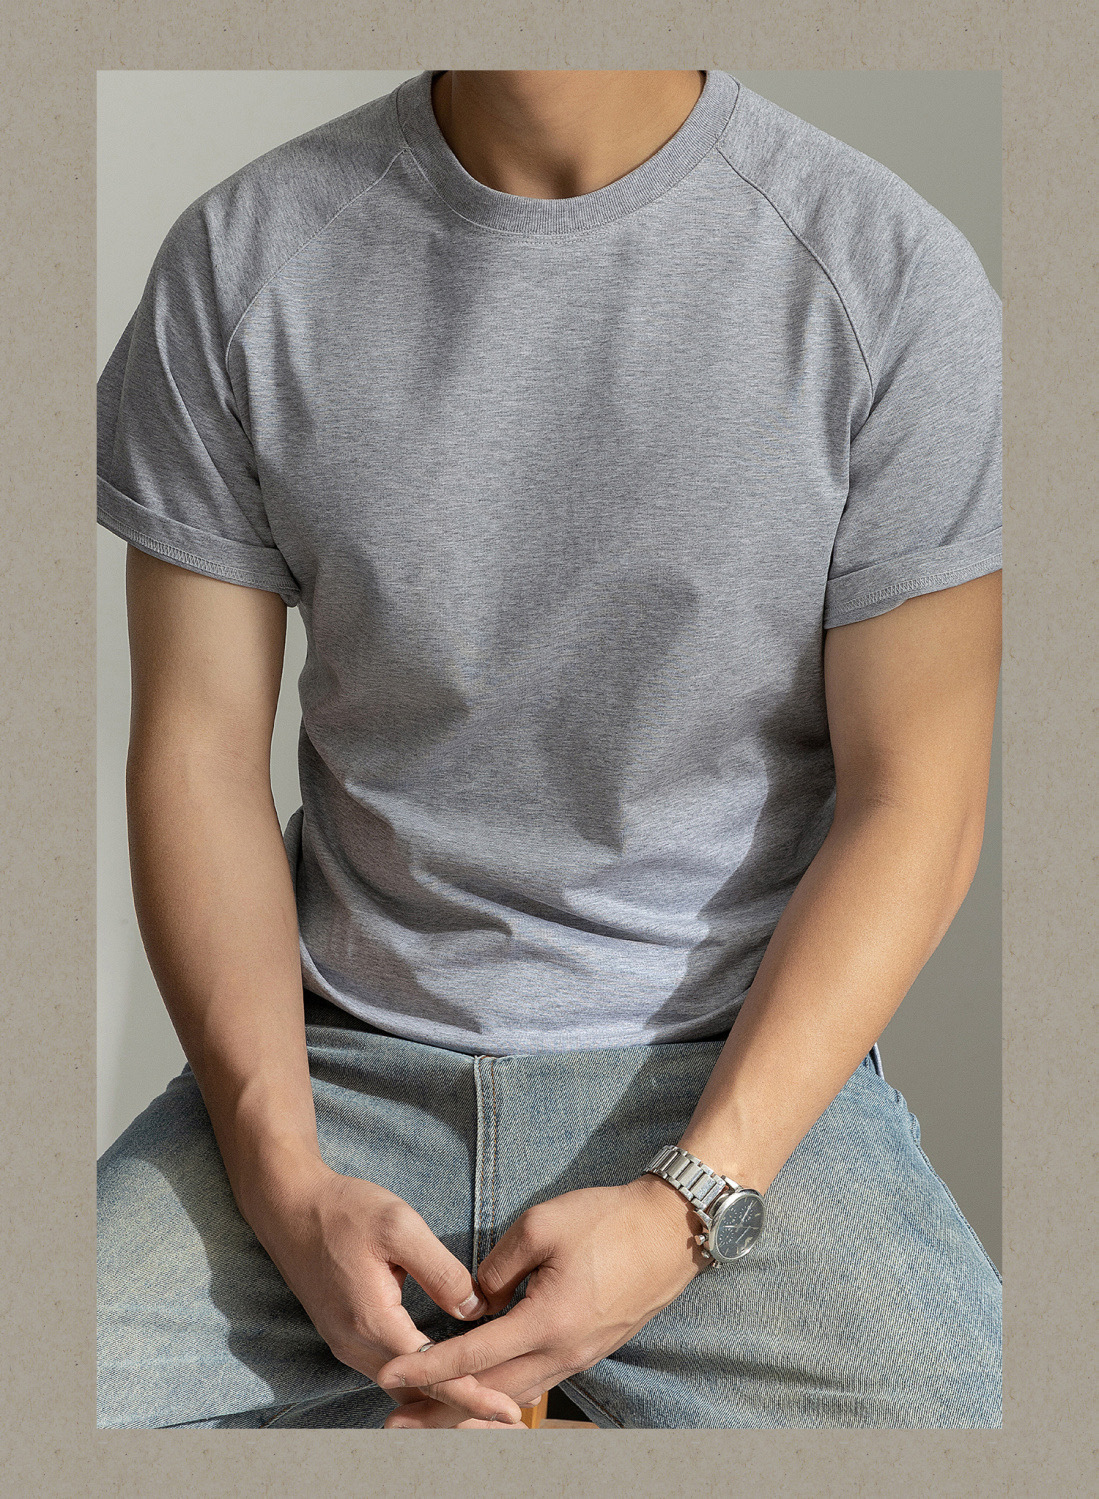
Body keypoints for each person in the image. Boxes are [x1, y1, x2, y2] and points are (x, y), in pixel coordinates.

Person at [95, 68, 1003, 1430]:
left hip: (725, 1085)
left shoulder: (886, 275)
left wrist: (691, 1203)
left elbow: (918, 800)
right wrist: (282, 1180)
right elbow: (196, 758)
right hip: (333, 1067)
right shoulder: (244, 257)